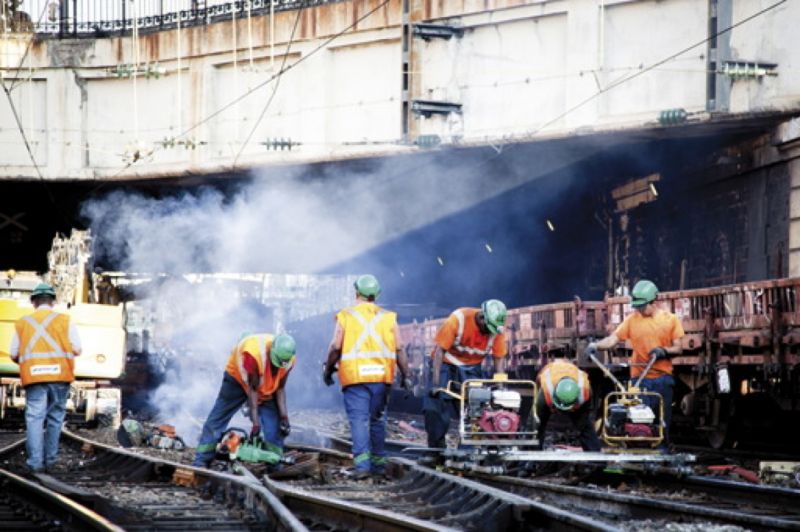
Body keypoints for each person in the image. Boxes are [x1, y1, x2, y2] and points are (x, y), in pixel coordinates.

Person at [323, 274, 411, 479]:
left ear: (356, 293)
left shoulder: (346, 315)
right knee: (377, 420)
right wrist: (406, 375)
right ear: (377, 295)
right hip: (382, 378)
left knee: (359, 421)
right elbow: (399, 348)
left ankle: (362, 467)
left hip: (355, 378)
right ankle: (379, 466)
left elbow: (336, 346)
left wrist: (328, 369)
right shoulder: (388, 318)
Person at [589, 279, 683, 450]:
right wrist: (596, 345)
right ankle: (638, 448)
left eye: (643, 306)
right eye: (637, 306)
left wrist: (664, 351)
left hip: (663, 378)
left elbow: (678, 348)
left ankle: (662, 451)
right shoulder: (632, 320)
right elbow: (613, 339)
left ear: (654, 301)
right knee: (637, 418)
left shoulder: (671, 320)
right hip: (640, 378)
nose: (639, 309)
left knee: (662, 421)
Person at [193, 333, 296, 468]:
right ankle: (202, 460)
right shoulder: (253, 354)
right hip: (237, 379)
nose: (277, 367)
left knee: (274, 426)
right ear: (271, 351)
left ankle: (275, 465)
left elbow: (280, 389)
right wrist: (255, 424)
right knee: (219, 416)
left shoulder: (289, 360)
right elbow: (253, 390)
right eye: (275, 363)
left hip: (266, 385)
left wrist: (284, 418)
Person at [9, 283, 82, 474]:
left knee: (34, 418)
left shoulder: (23, 323)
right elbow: (77, 349)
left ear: (33, 302)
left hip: (34, 377)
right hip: (59, 376)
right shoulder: (66, 321)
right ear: (53, 301)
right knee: (55, 418)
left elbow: (13, 353)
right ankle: (51, 462)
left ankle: (35, 464)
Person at [423, 299, 508, 449]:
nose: (489, 332)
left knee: (474, 410)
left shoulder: (496, 329)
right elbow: (439, 351)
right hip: (445, 365)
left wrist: (501, 387)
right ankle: (436, 449)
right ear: (482, 317)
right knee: (436, 408)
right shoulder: (459, 319)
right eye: (487, 328)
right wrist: (436, 384)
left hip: (472, 368)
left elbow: (499, 360)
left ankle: (467, 451)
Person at [535, 358, 601, 451]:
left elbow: (586, 412)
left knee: (585, 425)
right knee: (537, 424)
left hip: (572, 382)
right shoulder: (546, 390)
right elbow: (538, 415)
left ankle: (595, 457)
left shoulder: (585, 391)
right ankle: (530, 454)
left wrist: (581, 422)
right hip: (552, 373)